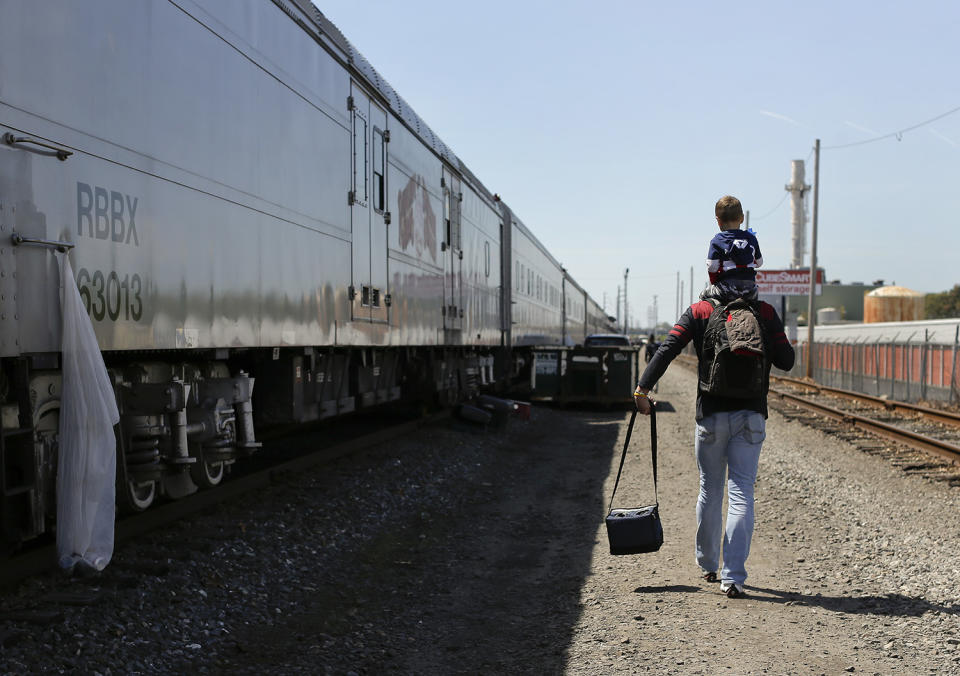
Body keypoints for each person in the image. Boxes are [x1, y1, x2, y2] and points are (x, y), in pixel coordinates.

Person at [633, 197, 794, 599]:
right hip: (751, 417)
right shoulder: (766, 313)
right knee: (742, 491)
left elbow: (666, 349)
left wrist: (642, 389)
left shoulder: (701, 310)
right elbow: (788, 361)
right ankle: (733, 576)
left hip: (711, 414)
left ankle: (707, 564)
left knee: (710, 488)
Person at [706, 195, 763, 287]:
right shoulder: (751, 238)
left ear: (718, 221)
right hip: (750, 288)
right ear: (742, 218)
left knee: (704, 295)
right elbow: (759, 263)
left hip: (726, 288)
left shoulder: (717, 240)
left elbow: (712, 267)